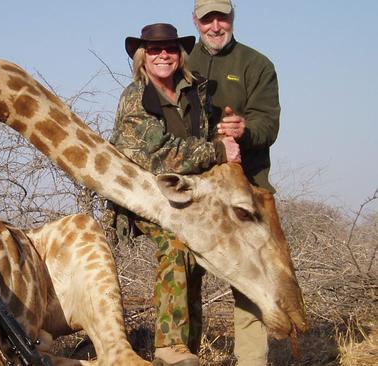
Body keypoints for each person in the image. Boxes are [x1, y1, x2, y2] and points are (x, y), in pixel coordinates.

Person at [110, 23, 240, 366]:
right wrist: (217, 151)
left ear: (179, 54)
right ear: (143, 57)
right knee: (176, 244)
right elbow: (158, 155)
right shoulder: (134, 97)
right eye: (154, 50)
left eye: (169, 48)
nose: (163, 55)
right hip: (142, 193)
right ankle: (168, 346)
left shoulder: (194, 91)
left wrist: (224, 133)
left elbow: (204, 133)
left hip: (183, 193)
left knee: (196, 258)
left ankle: (188, 350)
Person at [189, 0, 281, 364]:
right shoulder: (178, 59)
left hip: (246, 189)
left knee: (250, 284)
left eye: (221, 17)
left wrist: (245, 129)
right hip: (195, 194)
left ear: (232, 18)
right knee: (183, 281)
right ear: (195, 20)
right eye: (207, 18)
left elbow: (268, 126)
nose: (215, 26)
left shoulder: (257, 64)